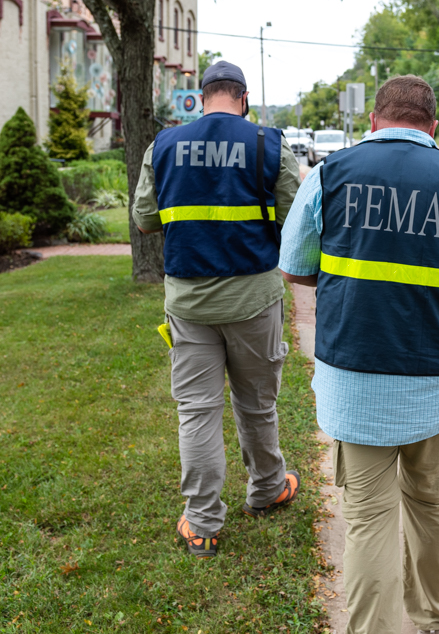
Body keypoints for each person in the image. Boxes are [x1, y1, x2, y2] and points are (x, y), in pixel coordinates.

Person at [278, 75, 439, 634]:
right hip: (434, 375)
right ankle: (432, 620)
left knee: (367, 519)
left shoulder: (330, 174)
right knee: (431, 508)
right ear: (434, 127)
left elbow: (292, 265)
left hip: (354, 377)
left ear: (373, 123)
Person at [132, 60, 303, 558]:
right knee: (256, 403)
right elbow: (295, 226)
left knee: (197, 411)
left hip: (188, 302)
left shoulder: (163, 146)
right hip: (254, 298)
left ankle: (203, 523)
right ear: (242, 98)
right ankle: (268, 488)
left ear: (201, 99)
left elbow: (144, 220)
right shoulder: (269, 144)